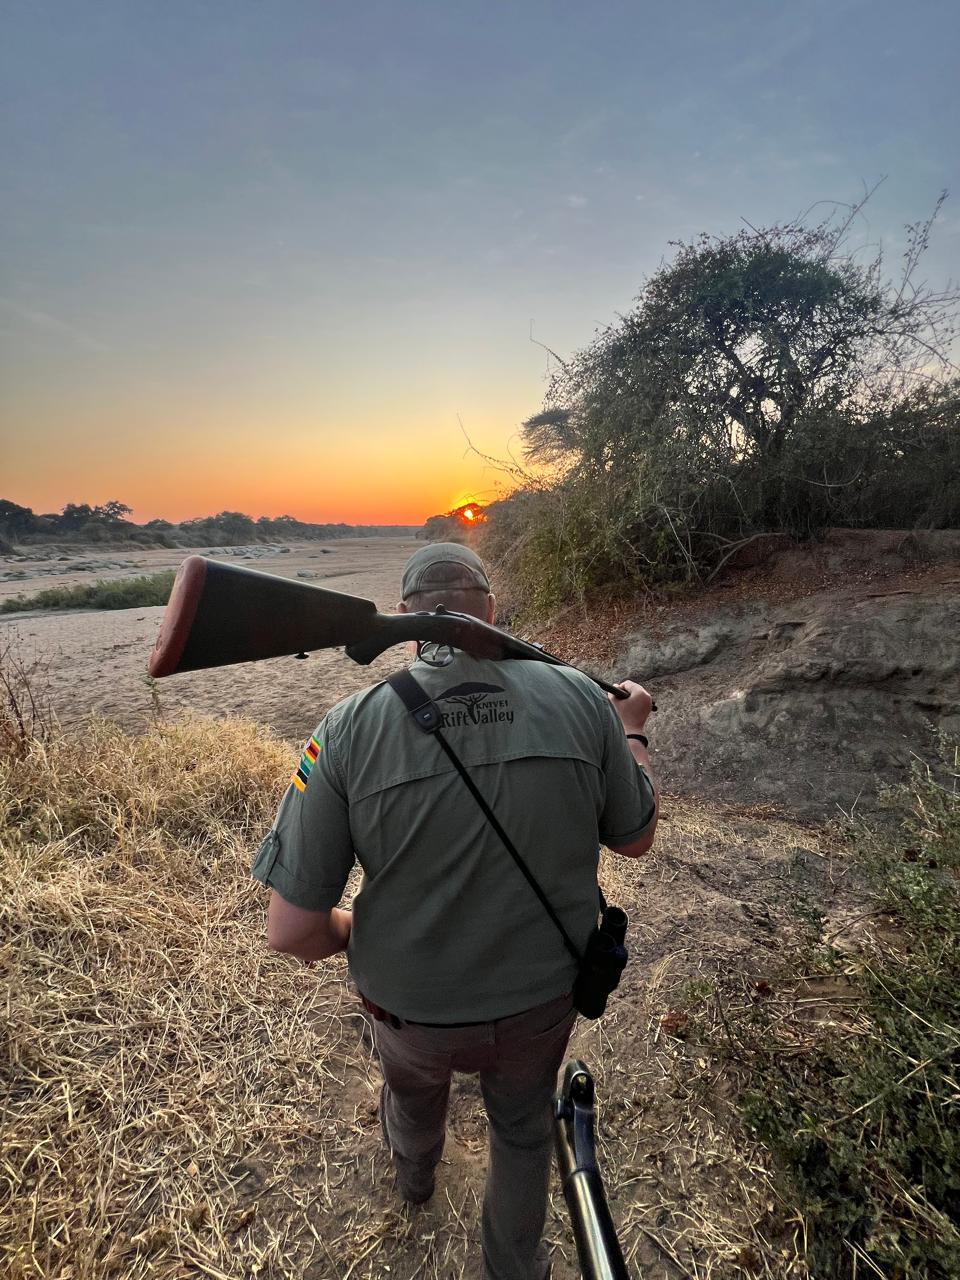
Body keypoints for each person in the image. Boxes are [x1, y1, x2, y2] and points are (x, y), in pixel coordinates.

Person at [251, 543, 658, 1280]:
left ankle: (414, 1179)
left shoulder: (344, 729)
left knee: (411, 1101)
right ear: (492, 610)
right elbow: (635, 839)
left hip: (407, 1007)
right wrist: (629, 725)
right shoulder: (580, 702)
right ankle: (513, 1267)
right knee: (524, 1135)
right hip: (543, 997)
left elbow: (293, 931)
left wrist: (354, 931)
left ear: (405, 619)